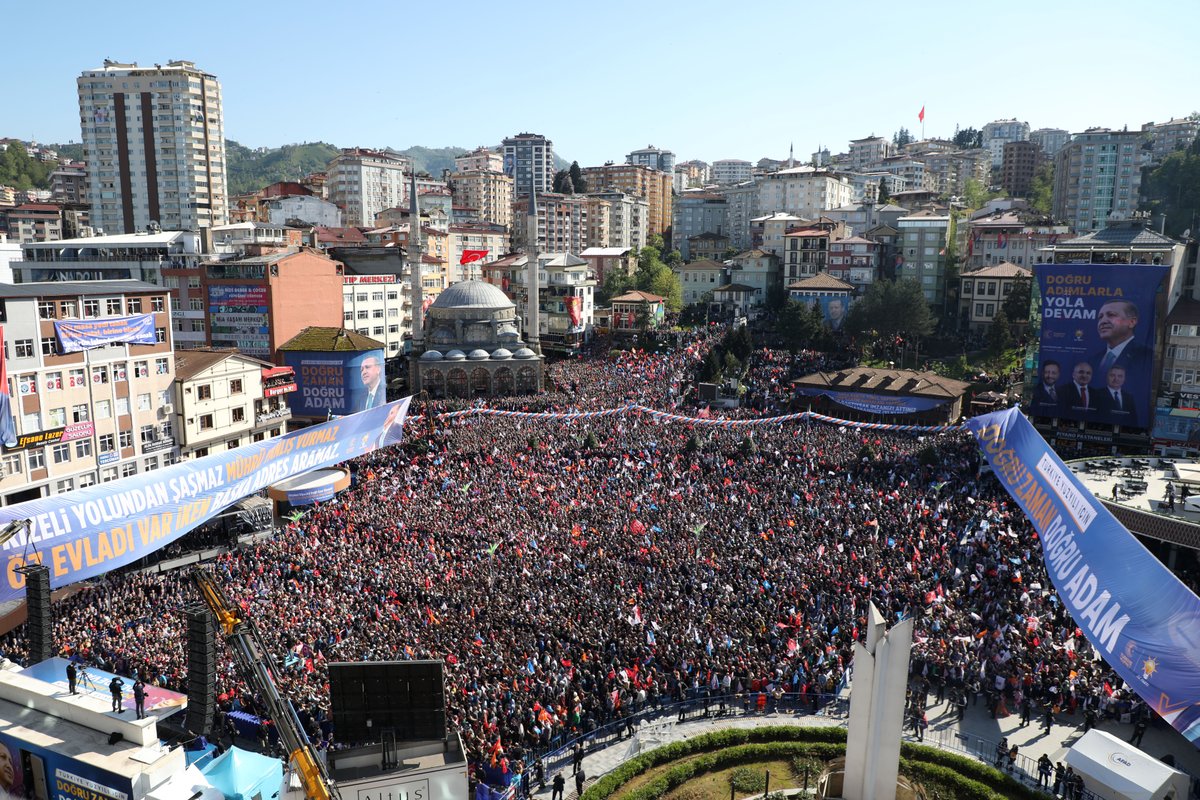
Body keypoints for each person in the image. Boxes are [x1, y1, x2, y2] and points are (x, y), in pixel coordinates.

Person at [1092, 300, 1153, 375]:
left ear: (1131, 322)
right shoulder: (1094, 359)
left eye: (1111, 315)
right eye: (1100, 317)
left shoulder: (1146, 356)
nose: (1103, 321)